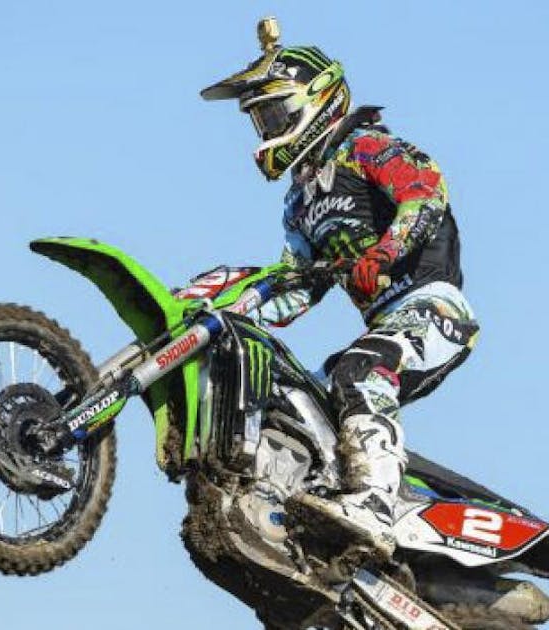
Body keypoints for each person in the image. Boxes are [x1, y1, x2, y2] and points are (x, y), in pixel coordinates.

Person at [200, 18, 479, 556]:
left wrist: (385, 252)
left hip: (435, 309)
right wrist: (233, 310)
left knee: (359, 372)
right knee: (295, 403)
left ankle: (374, 504)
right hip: (385, 325)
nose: (266, 129)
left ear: (314, 99)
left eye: (273, 114)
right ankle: (304, 516)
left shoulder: (367, 146)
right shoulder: (299, 201)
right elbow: (297, 286)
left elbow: (427, 193)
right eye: (260, 120)